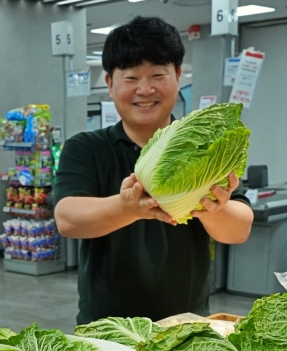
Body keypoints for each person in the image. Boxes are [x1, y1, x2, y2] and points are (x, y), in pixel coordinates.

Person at [54, 17, 253, 325]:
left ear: (177, 74)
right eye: (131, 78)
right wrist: (129, 207)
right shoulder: (86, 147)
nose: (145, 90)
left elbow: (239, 229)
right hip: (105, 331)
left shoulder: (207, 147)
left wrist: (214, 207)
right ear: (109, 82)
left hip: (188, 327)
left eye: (158, 75)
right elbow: (67, 219)